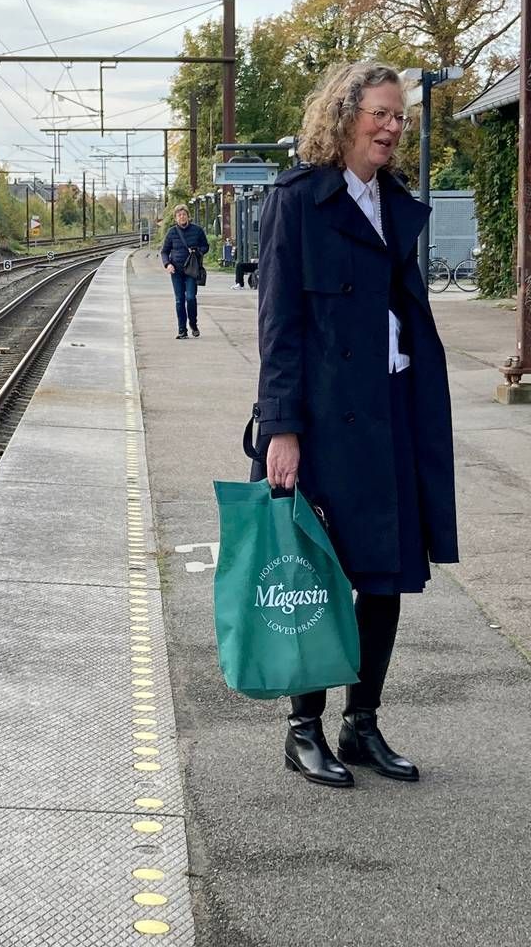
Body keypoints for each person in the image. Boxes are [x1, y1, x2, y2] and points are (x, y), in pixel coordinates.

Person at [251, 61, 458, 788]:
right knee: (312, 574)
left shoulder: (393, 200)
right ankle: (302, 728)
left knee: (387, 574)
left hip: (394, 409)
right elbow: (278, 323)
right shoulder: (299, 200)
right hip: (325, 420)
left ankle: (360, 721)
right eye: (381, 113)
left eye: (400, 116)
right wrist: (282, 427)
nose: (394, 126)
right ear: (342, 116)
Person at [160, 205, 208, 339]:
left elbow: (205, 246)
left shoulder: (197, 230)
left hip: (191, 270)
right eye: (179, 215)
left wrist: (198, 251)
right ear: (176, 218)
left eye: (184, 214)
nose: (182, 217)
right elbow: (164, 251)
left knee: (191, 298)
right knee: (179, 300)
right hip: (176, 270)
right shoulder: (172, 232)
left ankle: (193, 323)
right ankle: (182, 330)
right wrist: (167, 264)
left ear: (188, 216)